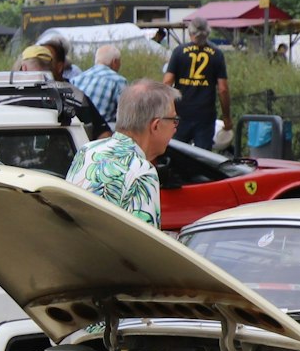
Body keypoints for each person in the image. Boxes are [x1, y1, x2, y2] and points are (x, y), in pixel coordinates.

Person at [65, 78, 176, 227]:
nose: (175, 127)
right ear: (155, 125)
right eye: (174, 120)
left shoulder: (87, 150)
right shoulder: (142, 171)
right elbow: (145, 244)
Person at [163, 16, 231, 150]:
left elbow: (167, 82)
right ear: (208, 33)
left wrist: (167, 110)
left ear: (190, 32)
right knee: (203, 157)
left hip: (181, 111)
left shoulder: (179, 52)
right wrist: (227, 117)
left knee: (177, 152)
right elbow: (223, 89)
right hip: (205, 114)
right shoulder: (217, 54)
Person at [70, 44, 128, 124]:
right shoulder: (118, 80)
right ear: (114, 62)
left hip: (78, 129)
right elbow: (125, 114)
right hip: (103, 131)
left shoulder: (76, 79)